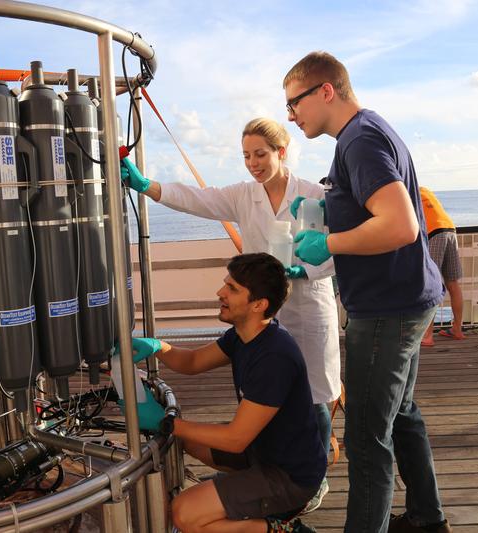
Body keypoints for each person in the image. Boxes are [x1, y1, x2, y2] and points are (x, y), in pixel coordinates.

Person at [120, 118, 342, 511]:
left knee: (317, 394)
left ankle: (312, 480)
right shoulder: (244, 196)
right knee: (266, 392)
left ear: (281, 152)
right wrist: (148, 186)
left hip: (307, 309)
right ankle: (269, 464)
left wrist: (303, 270)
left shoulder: (312, 194)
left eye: (260, 154)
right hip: (260, 313)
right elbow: (198, 200)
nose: (253, 163)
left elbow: (334, 252)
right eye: (246, 156)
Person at [283, 52, 452, 533]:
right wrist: (326, 209)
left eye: (295, 103)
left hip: (385, 310)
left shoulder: (360, 141)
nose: (291, 116)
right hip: (407, 297)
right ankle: (426, 517)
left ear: (326, 91)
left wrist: (327, 242)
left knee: (364, 438)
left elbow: (400, 225)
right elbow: (371, 209)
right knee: (401, 415)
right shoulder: (362, 135)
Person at [128, 253, 326, 532]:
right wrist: (159, 347)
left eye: (232, 289)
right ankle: (230, 498)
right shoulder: (245, 334)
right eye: (226, 284)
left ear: (259, 304)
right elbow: (193, 362)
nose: (220, 292)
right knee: (191, 441)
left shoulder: (274, 358)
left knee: (184, 514)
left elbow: (234, 439)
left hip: (289, 476)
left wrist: (166, 422)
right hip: (261, 452)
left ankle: (282, 530)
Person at [419, 187, 465, 346]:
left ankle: (427, 336)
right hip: (450, 229)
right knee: (453, 282)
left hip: (433, 232)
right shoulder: (425, 190)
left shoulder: (406, 191)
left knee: (431, 284)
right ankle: (457, 329)